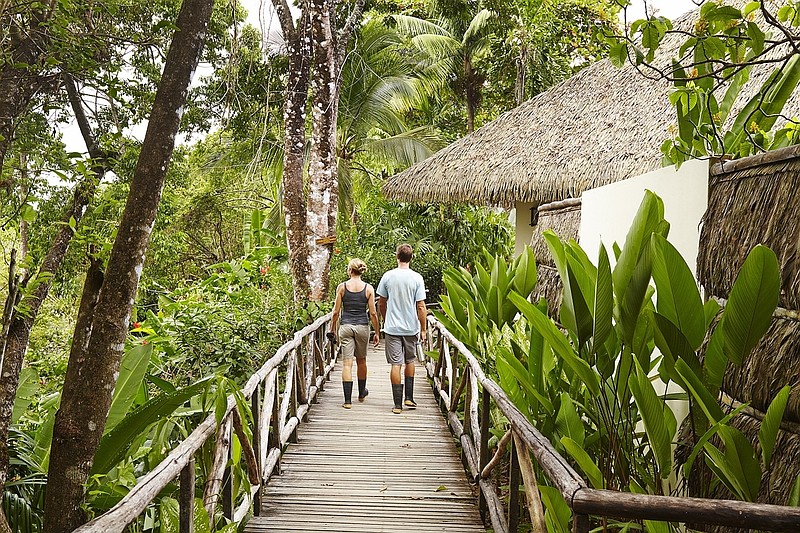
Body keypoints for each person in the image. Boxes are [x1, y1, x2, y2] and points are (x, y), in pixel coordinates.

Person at [376, 244, 427, 414]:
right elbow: (421, 306)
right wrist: (423, 329)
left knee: (395, 364)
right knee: (410, 361)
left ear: (397, 256)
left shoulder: (388, 276)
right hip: (411, 328)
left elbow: (381, 302)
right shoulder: (417, 278)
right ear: (411, 258)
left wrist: (385, 318)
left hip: (392, 328)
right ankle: (409, 398)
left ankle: (397, 405)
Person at [330, 258, 380, 409]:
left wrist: (332, 328)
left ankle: (347, 401)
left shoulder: (342, 287)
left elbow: (336, 312)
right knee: (362, 361)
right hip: (362, 327)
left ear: (350, 270)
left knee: (347, 363)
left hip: (346, 327)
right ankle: (361, 392)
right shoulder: (368, 288)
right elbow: (373, 313)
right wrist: (376, 332)